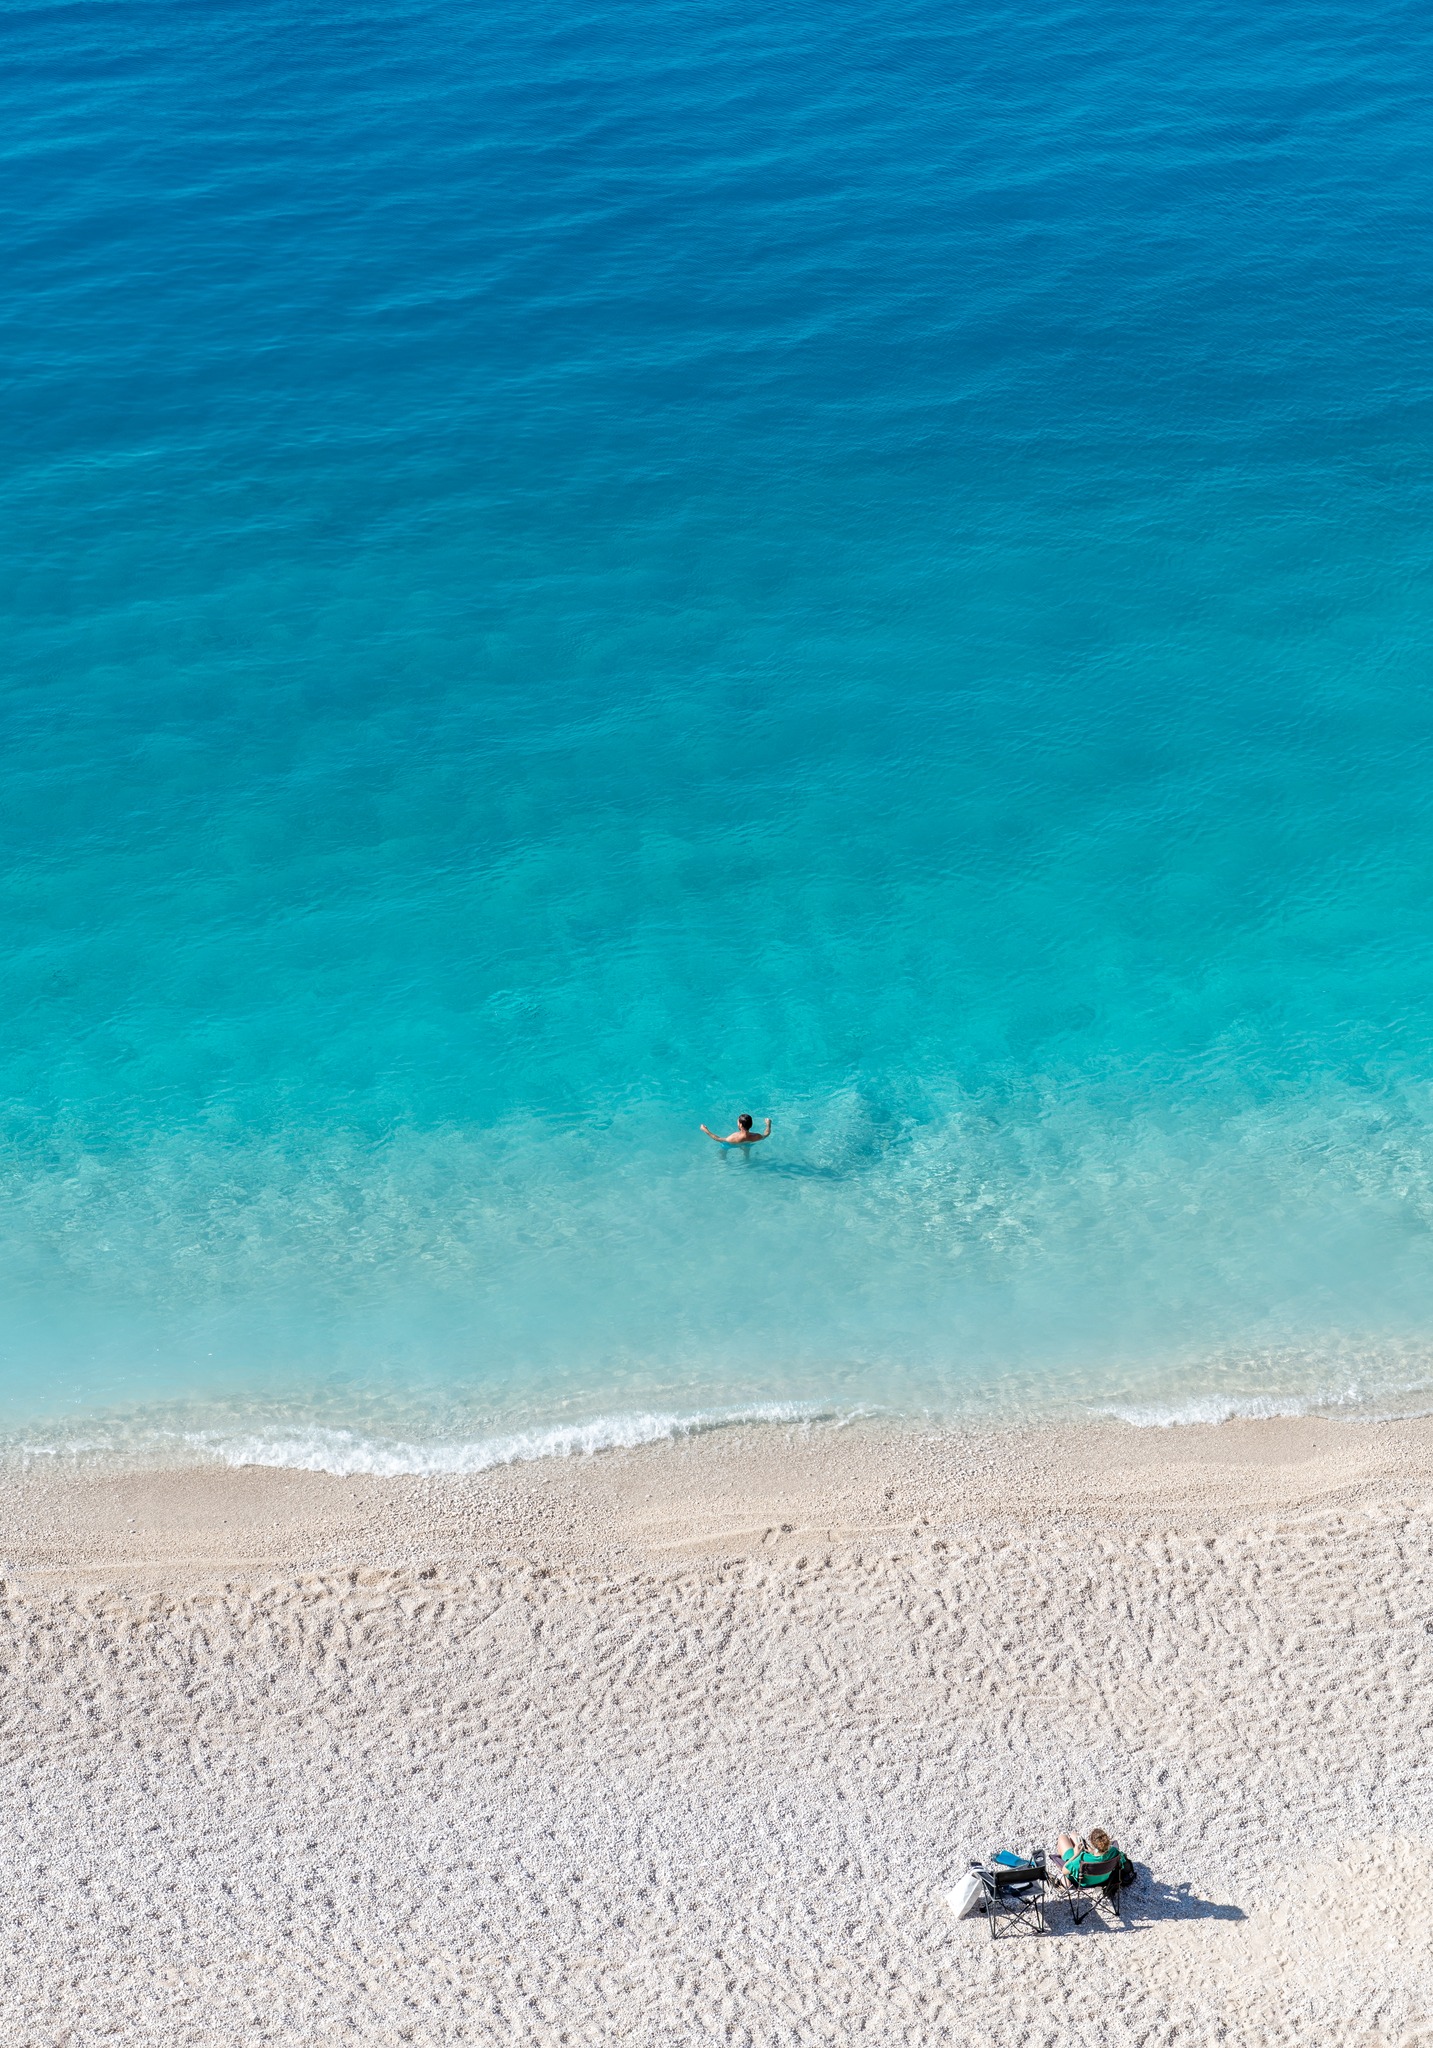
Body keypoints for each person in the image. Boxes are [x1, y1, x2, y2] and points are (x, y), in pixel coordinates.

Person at [1054, 1829, 1128, 1897]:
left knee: (1062, 1837)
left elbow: (1064, 1870)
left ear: (1093, 1844)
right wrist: (1092, 1852)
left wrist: (1076, 1854)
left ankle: (1065, 1880)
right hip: (1104, 1880)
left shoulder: (1081, 1859)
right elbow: (1121, 1860)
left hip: (1085, 1883)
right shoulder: (1114, 1852)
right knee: (1074, 1834)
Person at [700, 1113, 771, 1145]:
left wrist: (706, 1130)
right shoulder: (756, 1136)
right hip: (749, 1142)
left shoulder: (733, 1138)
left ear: (740, 1125)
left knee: (724, 1147)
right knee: (746, 1148)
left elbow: (718, 1139)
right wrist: (768, 1124)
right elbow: (766, 1134)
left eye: (737, 1122)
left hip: (733, 1144)